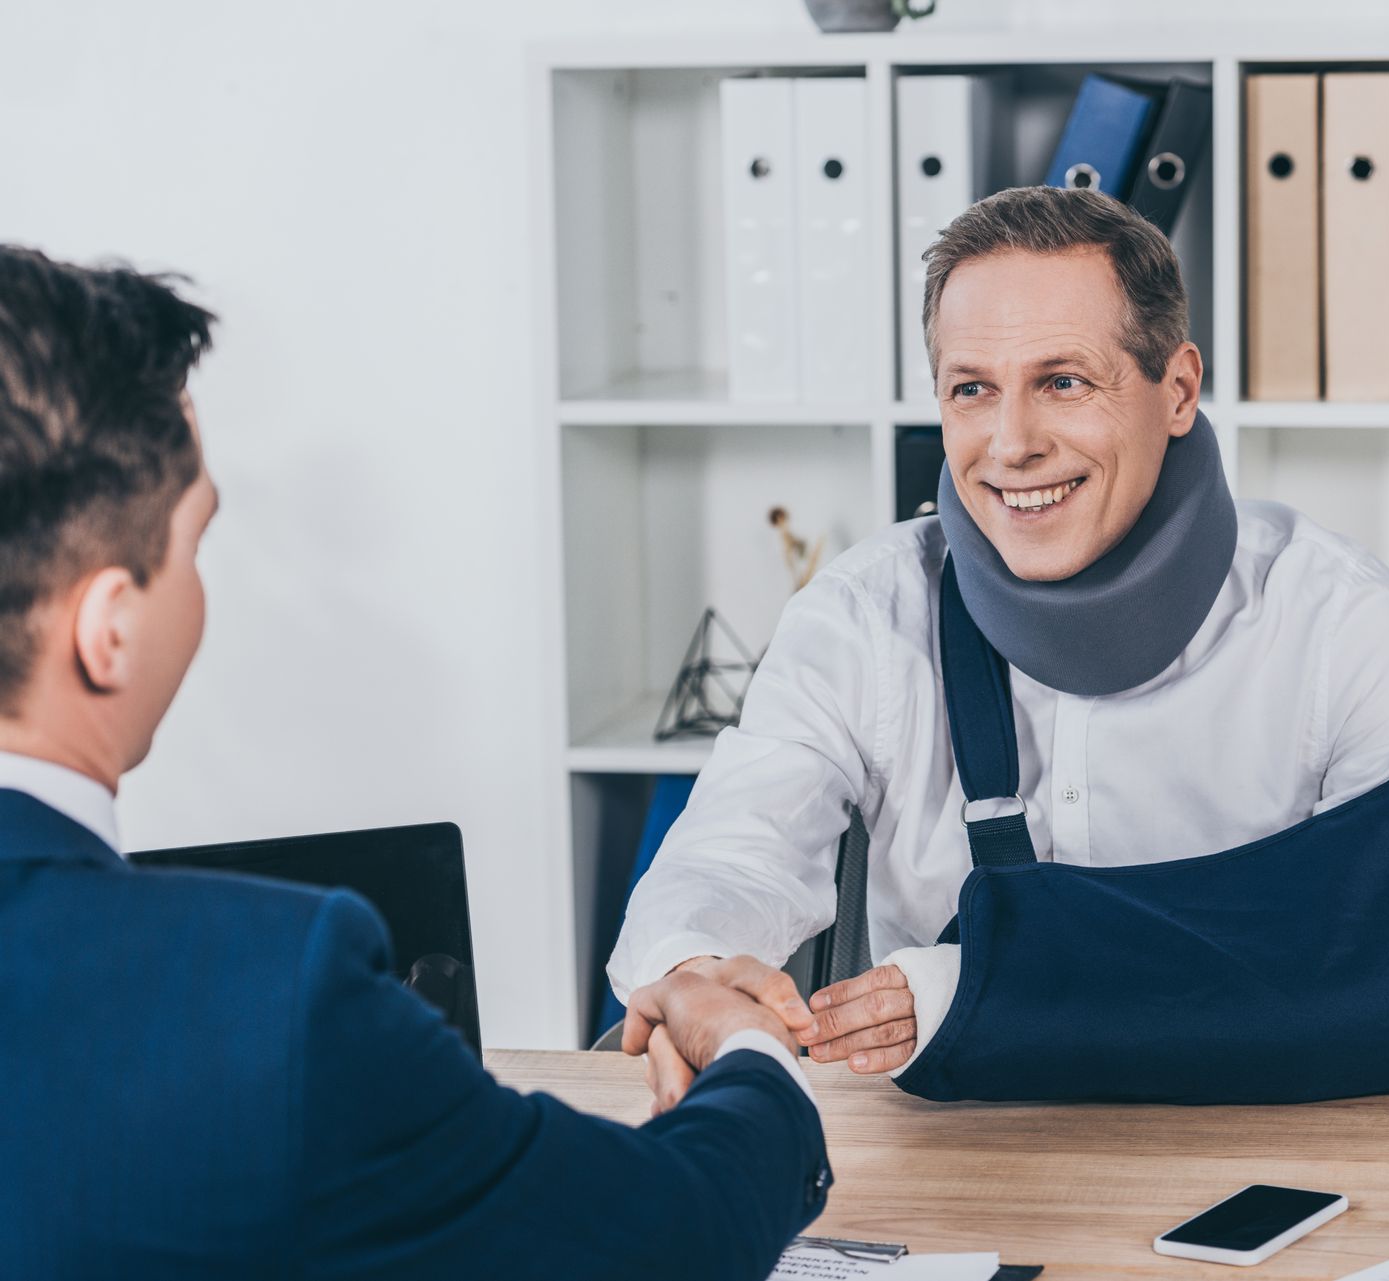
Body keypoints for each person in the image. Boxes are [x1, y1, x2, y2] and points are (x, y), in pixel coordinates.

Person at [0, 246, 830, 1278]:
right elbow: (675, 1235)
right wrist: (753, 1061)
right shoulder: (262, 999)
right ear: (108, 630)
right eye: (193, 543)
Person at [609, 186, 1389, 1101]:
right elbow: (734, 846)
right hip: (959, 1161)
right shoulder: (861, 617)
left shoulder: (1337, 622)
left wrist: (983, 986)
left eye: (1063, 382)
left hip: (1275, 1146)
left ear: (1178, 388)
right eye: (972, 390)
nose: (1012, 443)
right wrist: (694, 964)